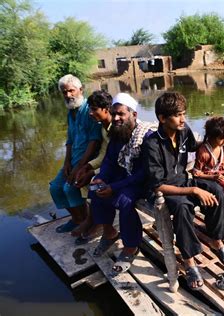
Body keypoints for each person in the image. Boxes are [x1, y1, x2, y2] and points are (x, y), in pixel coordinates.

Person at [142, 92, 224, 291]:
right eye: (178, 115)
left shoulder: (184, 131)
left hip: (186, 180)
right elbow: (157, 185)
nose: (183, 119)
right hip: (168, 190)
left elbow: (196, 146)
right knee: (184, 207)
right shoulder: (151, 145)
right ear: (162, 118)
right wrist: (193, 190)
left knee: (217, 190)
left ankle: (216, 242)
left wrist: (218, 141)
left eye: (184, 113)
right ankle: (189, 261)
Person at [89, 93, 156, 274]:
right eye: (114, 114)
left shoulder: (147, 137)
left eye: (121, 114)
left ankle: (130, 247)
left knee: (124, 201)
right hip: (123, 176)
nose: (116, 118)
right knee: (95, 190)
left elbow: (144, 172)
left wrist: (114, 187)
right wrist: (102, 177)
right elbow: (110, 161)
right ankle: (110, 232)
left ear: (133, 114)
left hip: (141, 182)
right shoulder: (117, 133)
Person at [49, 74, 102, 233]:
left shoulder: (89, 111)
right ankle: (77, 219)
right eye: (64, 92)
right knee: (55, 188)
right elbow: (70, 140)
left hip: (86, 161)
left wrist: (80, 167)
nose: (68, 95)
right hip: (72, 160)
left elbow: (94, 141)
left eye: (71, 91)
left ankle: (87, 221)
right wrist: (66, 163)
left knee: (70, 188)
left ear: (81, 89)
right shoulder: (70, 113)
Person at [72, 90, 113, 244]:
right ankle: (92, 219)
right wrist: (87, 167)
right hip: (109, 167)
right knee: (82, 178)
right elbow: (104, 154)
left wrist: (93, 173)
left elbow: (117, 161)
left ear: (106, 109)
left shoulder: (117, 128)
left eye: (94, 109)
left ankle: (95, 222)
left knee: (95, 183)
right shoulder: (103, 128)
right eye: (89, 108)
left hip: (122, 171)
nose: (90, 113)